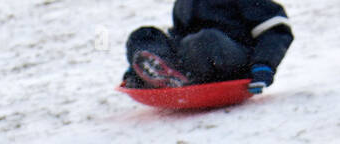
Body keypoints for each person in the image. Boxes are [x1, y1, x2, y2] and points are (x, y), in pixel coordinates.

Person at [123, 0, 294, 92]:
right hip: (193, 59)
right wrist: (148, 60)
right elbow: (179, 34)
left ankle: (177, 76)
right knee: (143, 35)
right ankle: (158, 72)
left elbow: (275, 28)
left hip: (231, 60)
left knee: (204, 39)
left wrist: (263, 65)